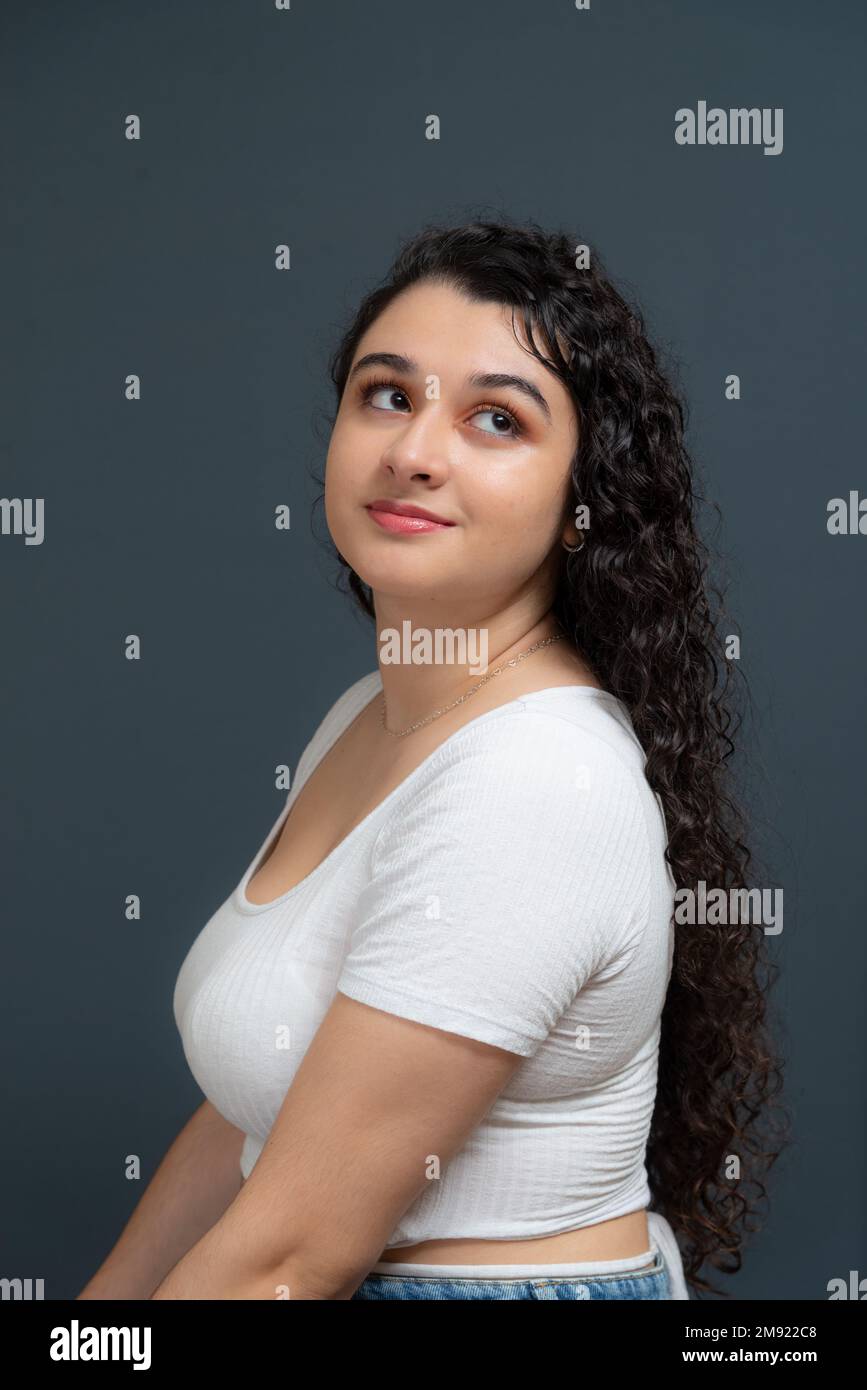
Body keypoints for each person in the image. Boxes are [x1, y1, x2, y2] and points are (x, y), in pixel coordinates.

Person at [78, 218, 785, 1302]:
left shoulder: (532, 778)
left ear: (581, 506)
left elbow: (289, 1253)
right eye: (388, 394)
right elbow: (257, 1114)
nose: (415, 449)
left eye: (496, 419)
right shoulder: (374, 713)